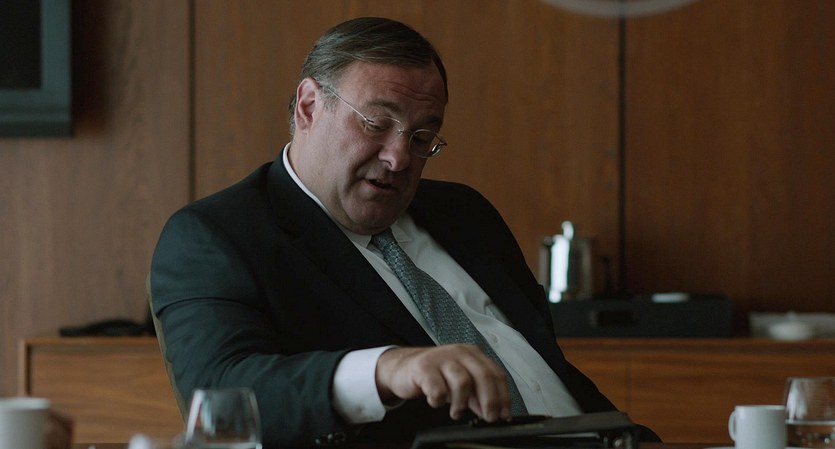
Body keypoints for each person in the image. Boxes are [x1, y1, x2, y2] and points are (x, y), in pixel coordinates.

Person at [150, 17, 659, 447]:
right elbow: (220, 395)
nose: (398, 158)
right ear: (308, 107)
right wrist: (385, 370)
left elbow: (542, 369)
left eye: (421, 136)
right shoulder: (217, 237)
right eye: (376, 124)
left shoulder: (466, 214)